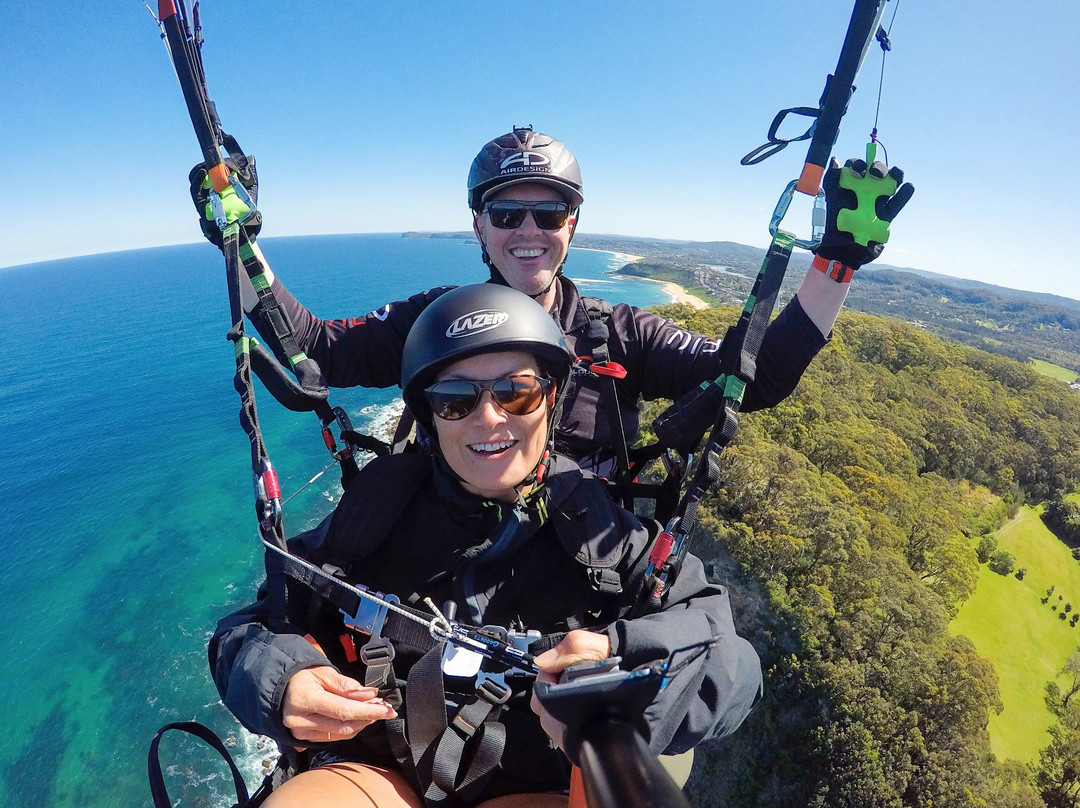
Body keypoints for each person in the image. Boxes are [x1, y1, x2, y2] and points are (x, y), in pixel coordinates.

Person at [208, 284, 764, 808]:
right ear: (429, 417)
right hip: (382, 767)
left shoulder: (602, 535)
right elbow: (252, 626)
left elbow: (733, 664)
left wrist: (625, 670)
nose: (489, 417)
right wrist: (283, 680)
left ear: (550, 401)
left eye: (516, 393)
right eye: (455, 400)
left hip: (533, 779)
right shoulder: (375, 514)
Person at [190, 126, 912, 479]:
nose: (528, 232)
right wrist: (240, 243)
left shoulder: (616, 332)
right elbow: (319, 351)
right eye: (507, 215)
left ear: (572, 226)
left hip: (583, 578)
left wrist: (834, 265)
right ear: (479, 226)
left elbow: (748, 377)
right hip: (444, 573)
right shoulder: (436, 320)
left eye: (550, 214)